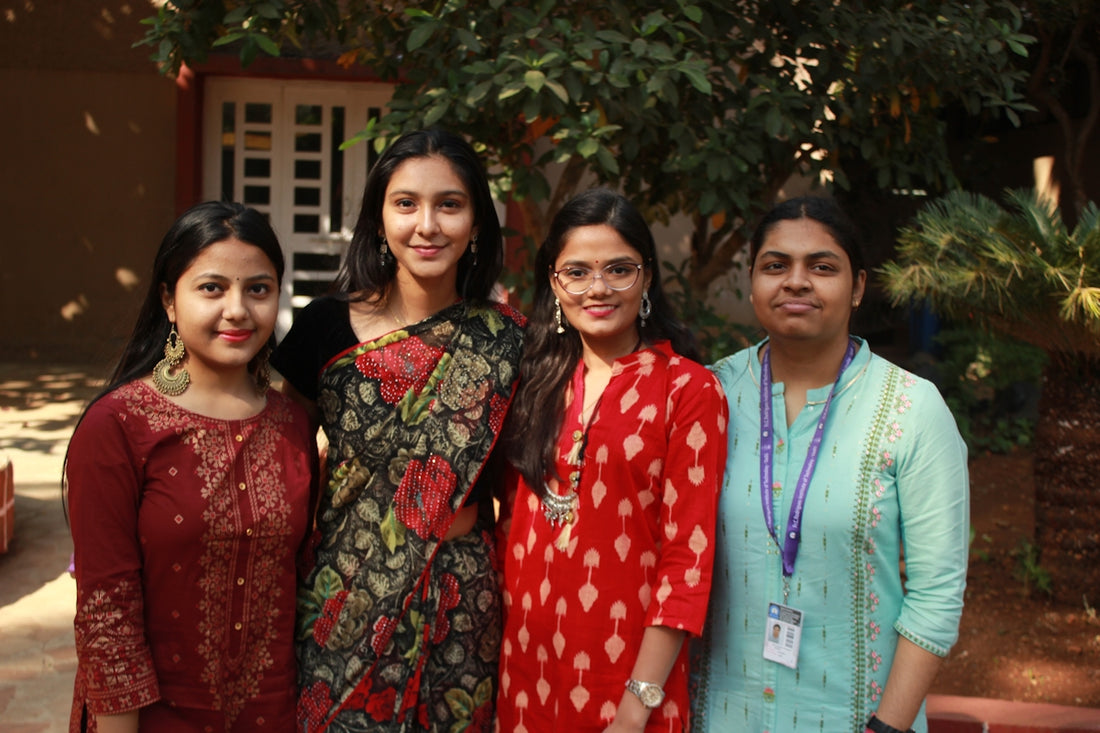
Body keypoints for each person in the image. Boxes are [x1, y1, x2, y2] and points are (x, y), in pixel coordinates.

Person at [273, 128, 525, 731]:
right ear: (379, 217)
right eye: (406, 203)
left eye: (450, 204)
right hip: (342, 599)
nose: (427, 225)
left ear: (476, 223)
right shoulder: (324, 329)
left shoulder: (510, 340)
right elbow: (281, 468)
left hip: (460, 600)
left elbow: (523, 486)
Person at [692, 196, 969, 733]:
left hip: (854, 717)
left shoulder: (914, 409)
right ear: (751, 282)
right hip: (722, 713)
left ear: (859, 286)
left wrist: (886, 727)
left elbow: (937, 593)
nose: (796, 282)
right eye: (776, 265)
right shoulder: (707, 395)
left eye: (822, 266)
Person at [66, 201, 317, 732]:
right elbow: (107, 614)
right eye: (211, 288)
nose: (237, 310)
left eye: (258, 289)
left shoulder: (294, 423)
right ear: (169, 301)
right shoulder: (118, 427)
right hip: (152, 719)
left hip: (273, 717)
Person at [495, 188, 729, 732]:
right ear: (553, 283)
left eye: (619, 269)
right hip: (526, 674)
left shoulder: (687, 390)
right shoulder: (534, 380)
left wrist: (635, 707)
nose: (597, 288)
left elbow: (687, 560)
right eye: (576, 271)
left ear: (647, 277)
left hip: (629, 683)